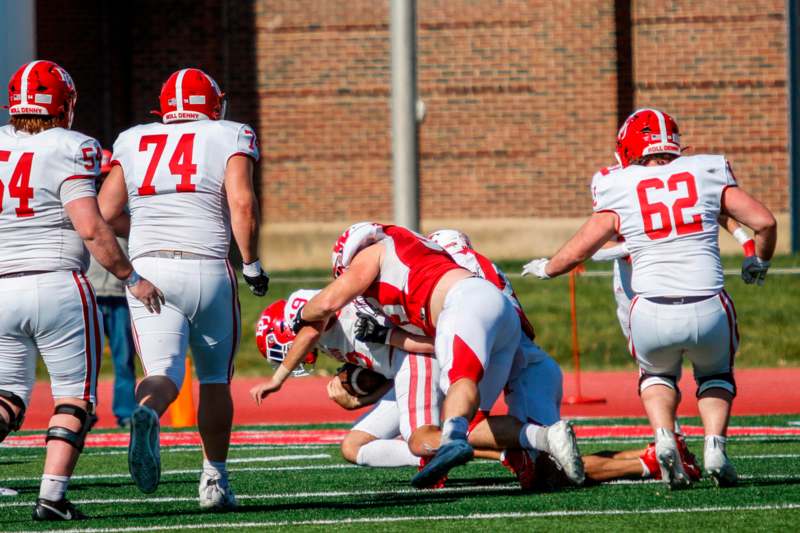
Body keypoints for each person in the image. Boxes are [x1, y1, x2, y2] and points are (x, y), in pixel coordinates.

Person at [522, 108, 777, 489]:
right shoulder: (705, 170)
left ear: (628, 149)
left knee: (656, 375)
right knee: (715, 375)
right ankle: (715, 447)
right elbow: (765, 221)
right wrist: (759, 259)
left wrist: (549, 268)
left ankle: (663, 438)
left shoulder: (618, 183)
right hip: (708, 303)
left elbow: (582, 247)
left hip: (650, 307)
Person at [250, 223, 538, 488]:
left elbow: (319, 322)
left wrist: (278, 378)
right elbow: (387, 369)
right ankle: (491, 451)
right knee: (354, 446)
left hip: (421, 358)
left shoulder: (322, 315)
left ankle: (518, 449)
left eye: (283, 348)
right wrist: (362, 397)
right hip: (409, 365)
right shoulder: (334, 332)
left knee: (424, 437)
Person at [98, 68, 269, 510]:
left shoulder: (133, 138)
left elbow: (106, 209)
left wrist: (146, 235)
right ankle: (214, 480)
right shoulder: (229, 134)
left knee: (164, 372)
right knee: (213, 379)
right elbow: (242, 202)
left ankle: (148, 413)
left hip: (150, 268)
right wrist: (250, 263)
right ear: (213, 105)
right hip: (207, 266)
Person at [0, 60, 162, 521]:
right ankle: (51, 496)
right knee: (74, 396)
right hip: (56, 283)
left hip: (1, 286)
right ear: (65, 105)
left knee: (8, 396)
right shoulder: (73, 146)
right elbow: (91, 228)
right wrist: (131, 276)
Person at [86, 149, 137, 427]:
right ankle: (82, 409)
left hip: (119, 293)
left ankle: (126, 412)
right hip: (90, 293)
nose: (101, 184)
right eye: (98, 179)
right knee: (84, 361)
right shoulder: (79, 209)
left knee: (124, 358)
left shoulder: (126, 211)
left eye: (106, 178)